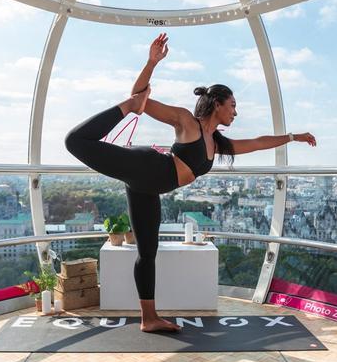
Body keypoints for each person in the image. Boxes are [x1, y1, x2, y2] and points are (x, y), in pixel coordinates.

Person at [65, 33, 316, 333]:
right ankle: (120, 109)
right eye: (232, 105)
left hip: (148, 187)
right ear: (217, 104)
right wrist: (152, 62)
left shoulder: (218, 142)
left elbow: (258, 142)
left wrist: (293, 137)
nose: (236, 112)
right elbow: (140, 97)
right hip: (146, 166)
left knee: (148, 251)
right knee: (76, 141)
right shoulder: (187, 121)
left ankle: (149, 319)